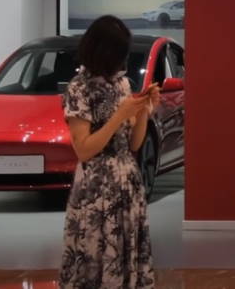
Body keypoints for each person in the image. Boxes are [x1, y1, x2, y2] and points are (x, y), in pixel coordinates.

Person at [61, 15, 160, 288]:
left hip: (126, 182)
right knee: (95, 254)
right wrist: (119, 116)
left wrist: (144, 110)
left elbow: (134, 145)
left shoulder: (122, 84)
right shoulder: (79, 88)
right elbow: (84, 150)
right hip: (96, 187)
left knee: (124, 252)